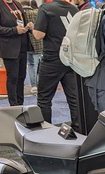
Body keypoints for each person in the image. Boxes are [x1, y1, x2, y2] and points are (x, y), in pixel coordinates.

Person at [33, 0, 82, 132]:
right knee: (74, 98)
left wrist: (33, 27)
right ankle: (79, 129)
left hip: (52, 59)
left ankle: (46, 131)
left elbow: (38, 35)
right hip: (71, 59)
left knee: (44, 98)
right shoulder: (75, 10)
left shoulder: (46, 8)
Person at [0, 0, 32, 106]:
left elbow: (21, 21)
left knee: (21, 77)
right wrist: (14, 30)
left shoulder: (17, 4)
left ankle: (20, 103)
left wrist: (28, 26)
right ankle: (14, 105)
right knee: (13, 77)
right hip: (9, 47)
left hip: (22, 45)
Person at [21, 0, 43, 94]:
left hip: (26, 43)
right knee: (38, 65)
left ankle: (33, 85)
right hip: (37, 42)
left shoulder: (21, 14)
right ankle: (39, 84)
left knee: (30, 65)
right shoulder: (37, 12)